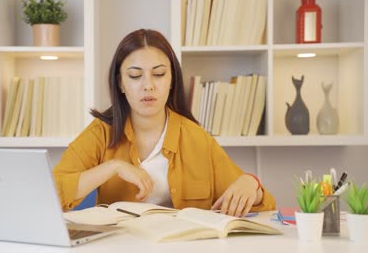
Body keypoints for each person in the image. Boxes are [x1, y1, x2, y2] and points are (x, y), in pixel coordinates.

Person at [53, 29, 276, 217]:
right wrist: (114, 167)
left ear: (171, 80)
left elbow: (261, 204)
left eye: (158, 74)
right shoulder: (101, 133)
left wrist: (251, 183)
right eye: (135, 76)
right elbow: (51, 192)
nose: (148, 85)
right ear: (120, 83)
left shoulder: (196, 138)